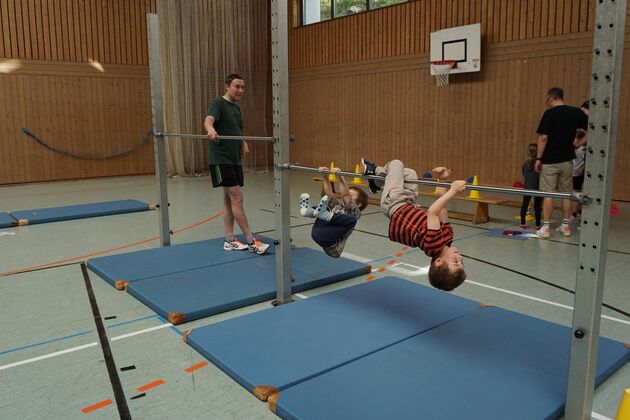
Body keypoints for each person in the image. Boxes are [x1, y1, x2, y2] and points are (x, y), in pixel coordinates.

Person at [362, 158, 467, 291]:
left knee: (396, 164)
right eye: (462, 262)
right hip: (409, 202)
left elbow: (433, 212)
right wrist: (443, 179)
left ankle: (373, 171)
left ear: (438, 262)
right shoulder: (448, 237)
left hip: (394, 204)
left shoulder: (433, 245)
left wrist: (454, 191)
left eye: (456, 262)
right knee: (409, 174)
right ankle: (376, 182)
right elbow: (442, 205)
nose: (460, 257)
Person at [203, 73, 269, 255]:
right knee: (237, 198)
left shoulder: (236, 108)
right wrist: (210, 129)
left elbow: (237, 129)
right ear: (227, 86)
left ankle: (230, 239)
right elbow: (208, 120)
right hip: (221, 158)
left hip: (234, 159)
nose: (240, 90)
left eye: (242, 87)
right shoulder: (218, 103)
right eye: (236, 86)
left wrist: (243, 141)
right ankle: (251, 240)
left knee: (229, 199)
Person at [534, 87, 588, 239]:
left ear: (552, 98)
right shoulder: (576, 112)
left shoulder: (550, 113)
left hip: (550, 160)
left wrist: (538, 158)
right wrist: (580, 143)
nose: (547, 103)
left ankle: (545, 228)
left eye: (547, 100)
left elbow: (543, 137)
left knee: (548, 194)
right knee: (566, 194)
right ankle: (565, 226)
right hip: (567, 160)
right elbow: (593, 127)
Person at [299, 166, 368, 258]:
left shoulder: (355, 212)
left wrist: (340, 176)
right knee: (327, 205)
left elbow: (345, 194)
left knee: (351, 220)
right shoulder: (337, 205)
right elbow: (329, 193)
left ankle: (318, 212)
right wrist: (325, 176)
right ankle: (309, 211)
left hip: (332, 246)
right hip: (318, 232)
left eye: (351, 196)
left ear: (359, 204)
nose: (348, 196)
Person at [520, 143, 542, 230]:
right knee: (537, 206)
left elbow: (524, 174)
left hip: (527, 187)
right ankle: (538, 225)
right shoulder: (539, 164)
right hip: (537, 188)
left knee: (524, 205)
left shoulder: (525, 163)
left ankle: (522, 223)